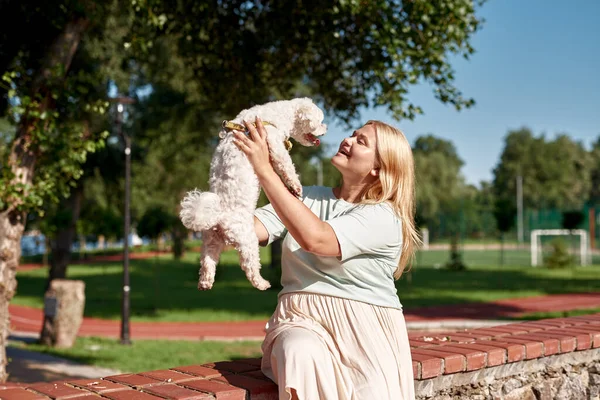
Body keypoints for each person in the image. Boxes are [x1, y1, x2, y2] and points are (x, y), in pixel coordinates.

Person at [233, 116, 420, 400]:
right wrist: (217, 204)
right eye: (352, 134)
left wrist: (265, 169)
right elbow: (247, 229)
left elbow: (317, 239)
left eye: (362, 141)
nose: (347, 140)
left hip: (366, 333)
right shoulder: (304, 197)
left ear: (378, 169)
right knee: (298, 351)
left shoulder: (385, 216)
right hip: (300, 320)